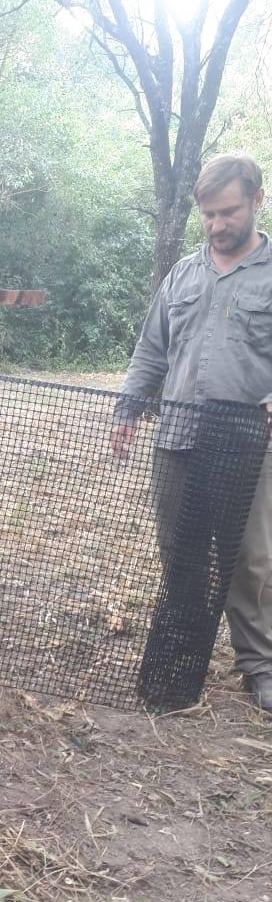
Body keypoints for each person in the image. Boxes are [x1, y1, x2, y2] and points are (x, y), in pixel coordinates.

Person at [111, 153, 272, 709]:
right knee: (180, 552)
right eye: (208, 214)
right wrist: (128, 409)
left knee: (250, 559)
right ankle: (181, 655)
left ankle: (260, 665)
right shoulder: (182, 273)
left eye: (229, 212)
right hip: (178, 437)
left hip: (249, 444)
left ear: (256, 200)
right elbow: (150, 349)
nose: (217, 224)